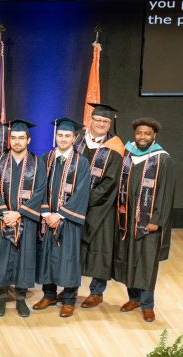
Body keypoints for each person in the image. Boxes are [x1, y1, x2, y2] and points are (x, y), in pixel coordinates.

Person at [112, 117, 174, 323]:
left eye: (147, 133)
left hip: (149, 221)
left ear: (154, 136)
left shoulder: (162, 159)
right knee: (129, 257)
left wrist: (156, 219)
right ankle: (134, 298)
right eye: (139, 133)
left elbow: (166, 194)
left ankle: (148, 304)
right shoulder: (129, 155)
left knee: (146, 262)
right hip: (127, 218)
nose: (142, 137)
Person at [0, 119, 46, 318]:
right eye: (14, 138)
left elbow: (40, 191)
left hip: (26, 220)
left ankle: (21, 298)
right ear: (9, 140)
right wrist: (5, 213)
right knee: (0, 258)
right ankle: (1, 297)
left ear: (28, 140)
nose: (17, 141)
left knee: (24, 258)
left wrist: (19, 213)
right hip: (2, 220)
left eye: (22, 138)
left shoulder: (38, 164)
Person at [33, 118, 91, 318]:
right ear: (55, 136)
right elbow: (38, 187)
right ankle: (48, 295)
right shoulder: (45, 158)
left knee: (68, 259)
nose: (63, 139)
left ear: (74, 138)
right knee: (46, 257)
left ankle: (68, 299)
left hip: (68, 221)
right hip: (47, 218)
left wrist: (61, 214)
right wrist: (47, 213)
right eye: (60, 135)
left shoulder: (81, 162)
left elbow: (82, 192)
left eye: (67, 136)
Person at [74, 103, 126, 310]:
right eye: (98, 120)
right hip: (72, 205)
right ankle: (70, 288)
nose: (102, 124)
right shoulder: (77, 139)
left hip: (101, 206)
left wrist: (86, 199)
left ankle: (97, 292)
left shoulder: (115, 146)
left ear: (110, 123)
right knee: (73, 247)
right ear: (91, 120)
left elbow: (110, 182)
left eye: (106, 121)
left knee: (100, 249)